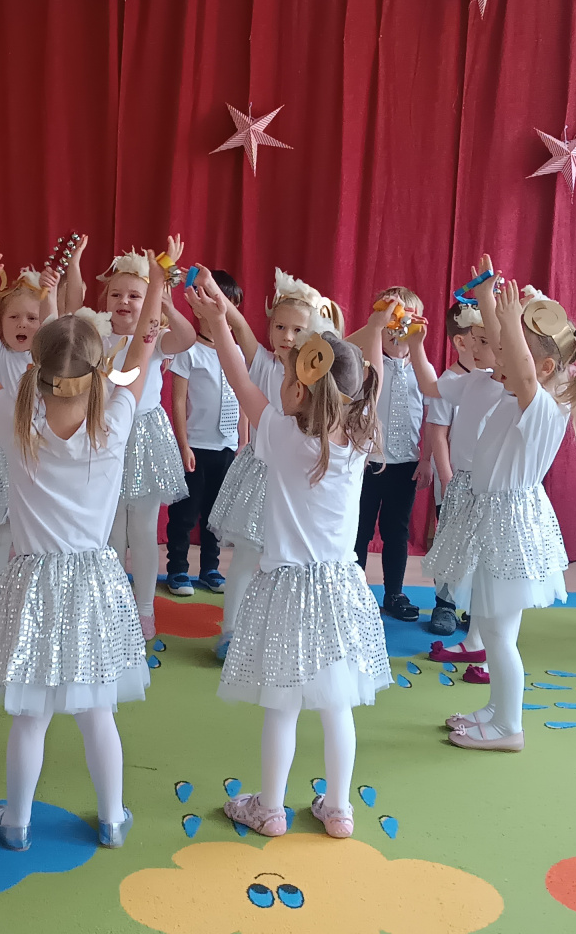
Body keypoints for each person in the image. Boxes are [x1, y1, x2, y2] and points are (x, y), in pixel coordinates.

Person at [0, 252, 165, 852]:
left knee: (31, 715)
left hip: (32, 582)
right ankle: (112, 819)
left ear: (35, 366)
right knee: (97, 712)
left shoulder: (13, 415)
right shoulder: (116, 418)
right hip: (96, 582)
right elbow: (141, 350)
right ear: (100, 370)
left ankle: (17, 822)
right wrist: (156, 284)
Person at [188, 273, 388, 840]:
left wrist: (218, 322)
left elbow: (237, 374)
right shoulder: (360, 435)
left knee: (282, 706)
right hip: (340, 588)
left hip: (286, 590)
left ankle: (270, 808)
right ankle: (339, 809)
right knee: (336, 706)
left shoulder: (278, 434)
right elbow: (359, 373)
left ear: (299, 390)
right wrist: (373, 332)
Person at [424, 257, 576, 751]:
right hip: (496, 521)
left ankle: (509, 727)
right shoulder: (515, 397)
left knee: (500, 636)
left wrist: (502, 310)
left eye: (506, 348)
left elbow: (521, 368)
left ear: (540, 369)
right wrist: (489, 302)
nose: (495, 354)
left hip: (508, 525)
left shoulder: (541, 406)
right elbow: (516, 362)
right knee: (494, 628)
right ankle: (497, 711)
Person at [207, 270, 343, 660]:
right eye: (279, 327)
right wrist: (215, 295)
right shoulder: (262, 362)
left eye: (297, 329)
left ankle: (278, 633)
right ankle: (231, 631)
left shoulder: (318, 377)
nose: (286, 336)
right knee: (247, 557)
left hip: (295, 480)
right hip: (260, 475)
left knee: (284, 561)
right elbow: (235, 323)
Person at [82, 241, 197, 640]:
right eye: (117, 294)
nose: (125, 302)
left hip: (145, 437)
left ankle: (144, 608)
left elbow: (187, 337)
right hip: (105, 435)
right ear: (106, 299)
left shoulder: (152, 337)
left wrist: (163, 303)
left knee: (144, 530)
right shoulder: (95, 334)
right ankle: (111, 603)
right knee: (112, 530)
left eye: (135, 295)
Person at [0, 247, 64, 626]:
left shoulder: (47, 359)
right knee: (1, 533)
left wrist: (51, 295)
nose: (23, 323)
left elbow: (57, 329)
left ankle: (33, 600)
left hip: (42, 457)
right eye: (14, 316)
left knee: (37, 535)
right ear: (1, 322)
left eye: (32, 318)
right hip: (5, 456)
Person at [421, 300, 499, 680]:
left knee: (481, 555)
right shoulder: (455, 380)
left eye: (487, 340)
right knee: (451, 547)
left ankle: (477, 620)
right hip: (458, 483)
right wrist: (448, 478)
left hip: (487, 489)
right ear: (461, 342)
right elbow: (438, 432)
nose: (481, 347)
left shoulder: (500, 384)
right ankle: (446, 604)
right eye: (476, 339)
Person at [350, 287, 437, 619]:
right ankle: (353, 592)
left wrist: (426, 459)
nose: (397, 332)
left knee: (396, 531)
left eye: (406, 323)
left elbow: (433, 417)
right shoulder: (365, 364)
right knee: (359, 530)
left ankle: (394, 593)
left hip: (405, 465)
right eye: (391, 322)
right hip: (367, 463)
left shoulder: (422, 370)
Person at [164, 269, 244, 598]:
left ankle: (210, 567)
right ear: (198, 308)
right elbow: (177, 401)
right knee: (185, 513)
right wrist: (183, 445)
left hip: (226, 448)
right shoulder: (189, 350)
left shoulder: (236, 351)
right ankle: (178, 569)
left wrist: (243, 442)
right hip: (196, 446)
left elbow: (244, 398)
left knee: (216, 514)